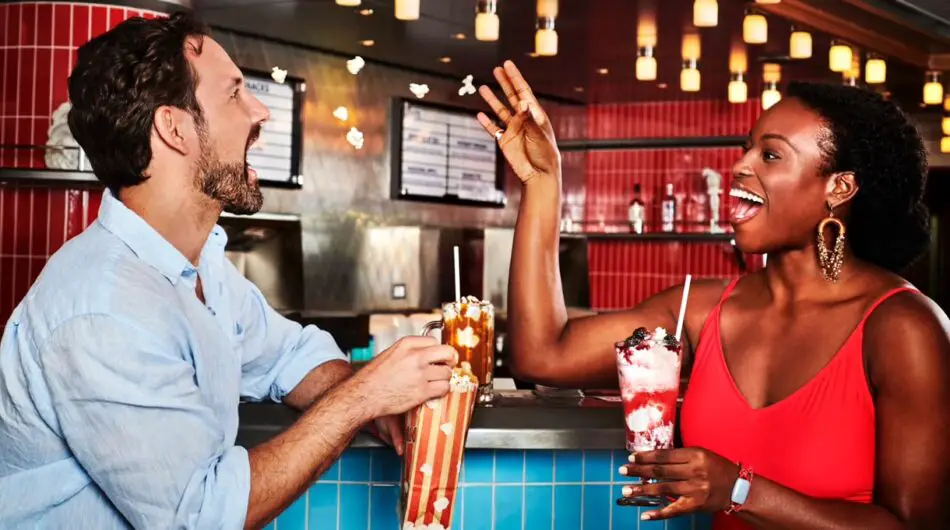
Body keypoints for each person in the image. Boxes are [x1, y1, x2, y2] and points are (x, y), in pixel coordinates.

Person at [0, 13, 456, 530]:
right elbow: (203, 515)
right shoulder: (103, 308)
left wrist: (376, 399)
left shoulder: (200, 269)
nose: (260, 111)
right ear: (173, 128)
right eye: (235, 94)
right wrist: (364, 396)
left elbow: (290, 356)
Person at [476, 61, 950, 528]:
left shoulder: (903, 329)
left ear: (839, 188)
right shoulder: (703, 310)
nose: (738, 166)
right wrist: (542, 182)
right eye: (746, 149)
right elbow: (543, 355)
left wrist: (740, 490)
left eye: (769, 155)